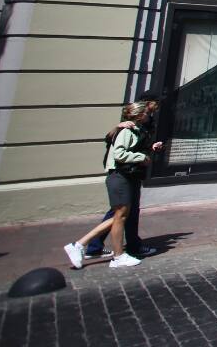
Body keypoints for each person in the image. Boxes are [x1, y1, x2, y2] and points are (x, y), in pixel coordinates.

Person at [63, 102, 154, 269]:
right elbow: (119, 154)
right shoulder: (126, 130)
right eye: (146, 113)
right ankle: (111, 255)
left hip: (125, 177)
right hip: (120, 177)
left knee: (120, 216)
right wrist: (142, 157)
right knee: (120, 216)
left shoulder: (133, 130)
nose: (149, 116)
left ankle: (84, 245)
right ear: (139, 115)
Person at [84, 91, 164, 258]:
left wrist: (150, 148)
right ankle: (91, 245)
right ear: (148, 104)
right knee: (123, 212)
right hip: (124, 171)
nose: (157, 108)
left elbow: (138, 145)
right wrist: (141, 155)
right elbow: (115, 144)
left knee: (123, 211)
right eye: (156, 104)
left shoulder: (147, 121)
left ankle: (95, 246)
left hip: (133, 170)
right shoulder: (131, 121)